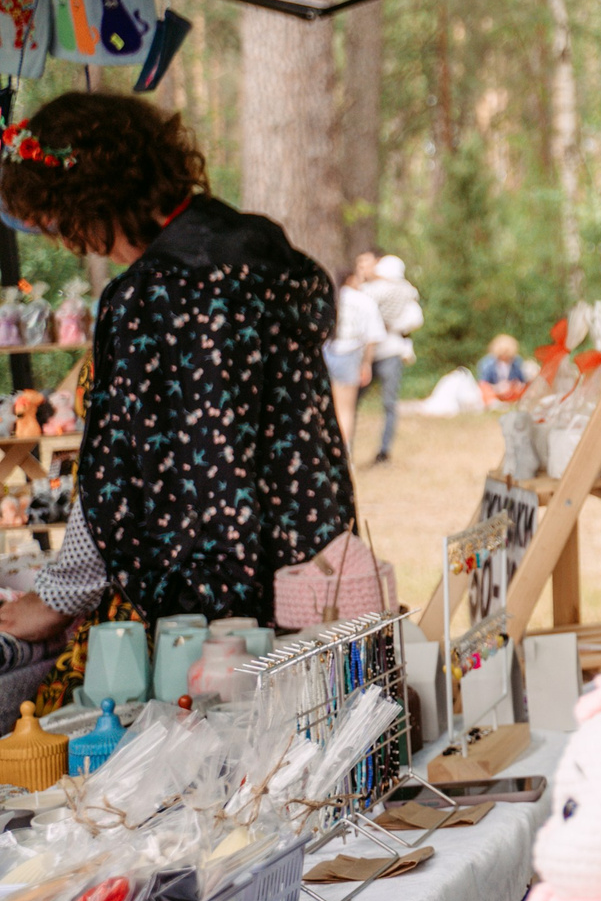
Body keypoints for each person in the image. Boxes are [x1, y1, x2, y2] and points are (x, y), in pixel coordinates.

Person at [0, 93, 354, 710]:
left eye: (59, 220)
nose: (67, 240)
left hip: (206, 619)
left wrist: (56, 597)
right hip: (309, 578)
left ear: (87, 199)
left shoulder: (151, 295)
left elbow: (117, 483)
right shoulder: (265, 252)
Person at [356, 250, 421, 463]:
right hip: (380, 352)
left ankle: (377, 450)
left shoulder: (370, 292)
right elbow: (414, 320)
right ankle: (379, 450)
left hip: (380, 351)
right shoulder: (407, 292)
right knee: (386, 403)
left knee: (366, 402)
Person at [326, 268, 385, 459]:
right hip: (350, 354)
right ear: (351, 279)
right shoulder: (364, 301)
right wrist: (366, 363)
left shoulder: (332, 297)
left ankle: (329, 449)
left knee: (330, 406)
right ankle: (343, 452)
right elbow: (372, 336)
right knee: (345, 409)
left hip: (328, 351)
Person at [477, 333, 534, 404]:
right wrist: (497, 387)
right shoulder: (487, 362)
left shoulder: (517, 361)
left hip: (511, 391)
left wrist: (514, 385)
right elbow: (483, 383)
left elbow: (522, 381)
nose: (505, 357)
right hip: (494, 390)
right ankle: (493, 403)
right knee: (485, 390)